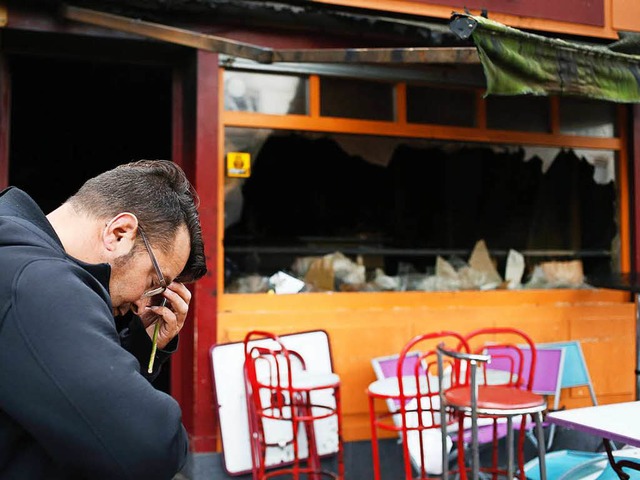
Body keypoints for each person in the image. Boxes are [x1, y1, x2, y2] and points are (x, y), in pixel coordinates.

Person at [0, 160, 207, 479]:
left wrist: (143, 345)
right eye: (155, 280)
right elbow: (149, 447)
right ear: (119, 233)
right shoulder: (38, 282)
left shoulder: (15, 256)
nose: (144, 302)